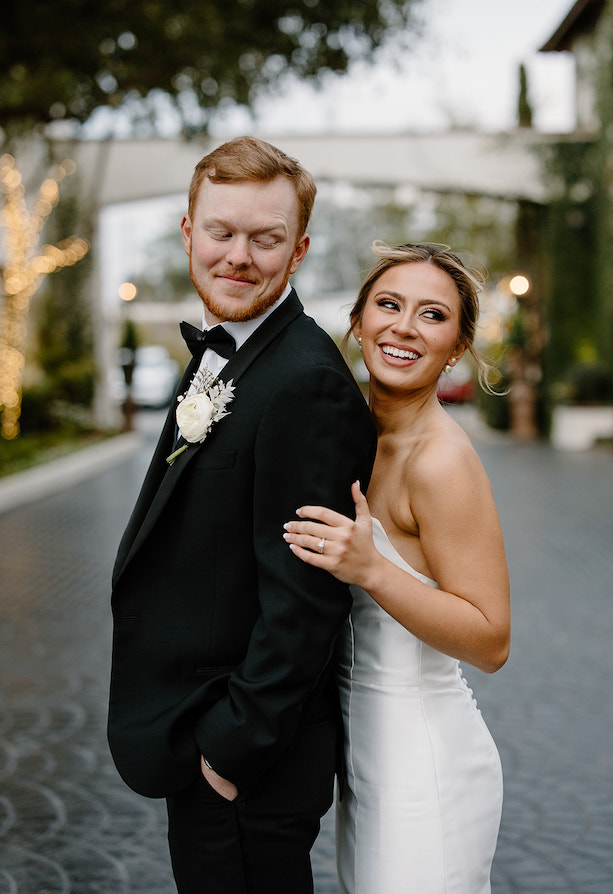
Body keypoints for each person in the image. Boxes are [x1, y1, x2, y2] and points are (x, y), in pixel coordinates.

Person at [107, 136, 376, 894]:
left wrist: (229, 753)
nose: (239, 256)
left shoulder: (306, 383)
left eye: (267, 239)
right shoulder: (230, 352)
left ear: (299, 252)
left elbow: (306, 601)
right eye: (221, 232)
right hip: (206, 734)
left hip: (245, 765)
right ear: (189, 233)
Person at [284, 242, 510, 894]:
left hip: (425, 767)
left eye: (432, 315)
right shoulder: (353, 435)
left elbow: (492, 640)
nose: (404, 327)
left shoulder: (441, 462)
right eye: (388, 304)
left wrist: (374, 570)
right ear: (357, 322)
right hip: (365, 757)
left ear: (459, 344)